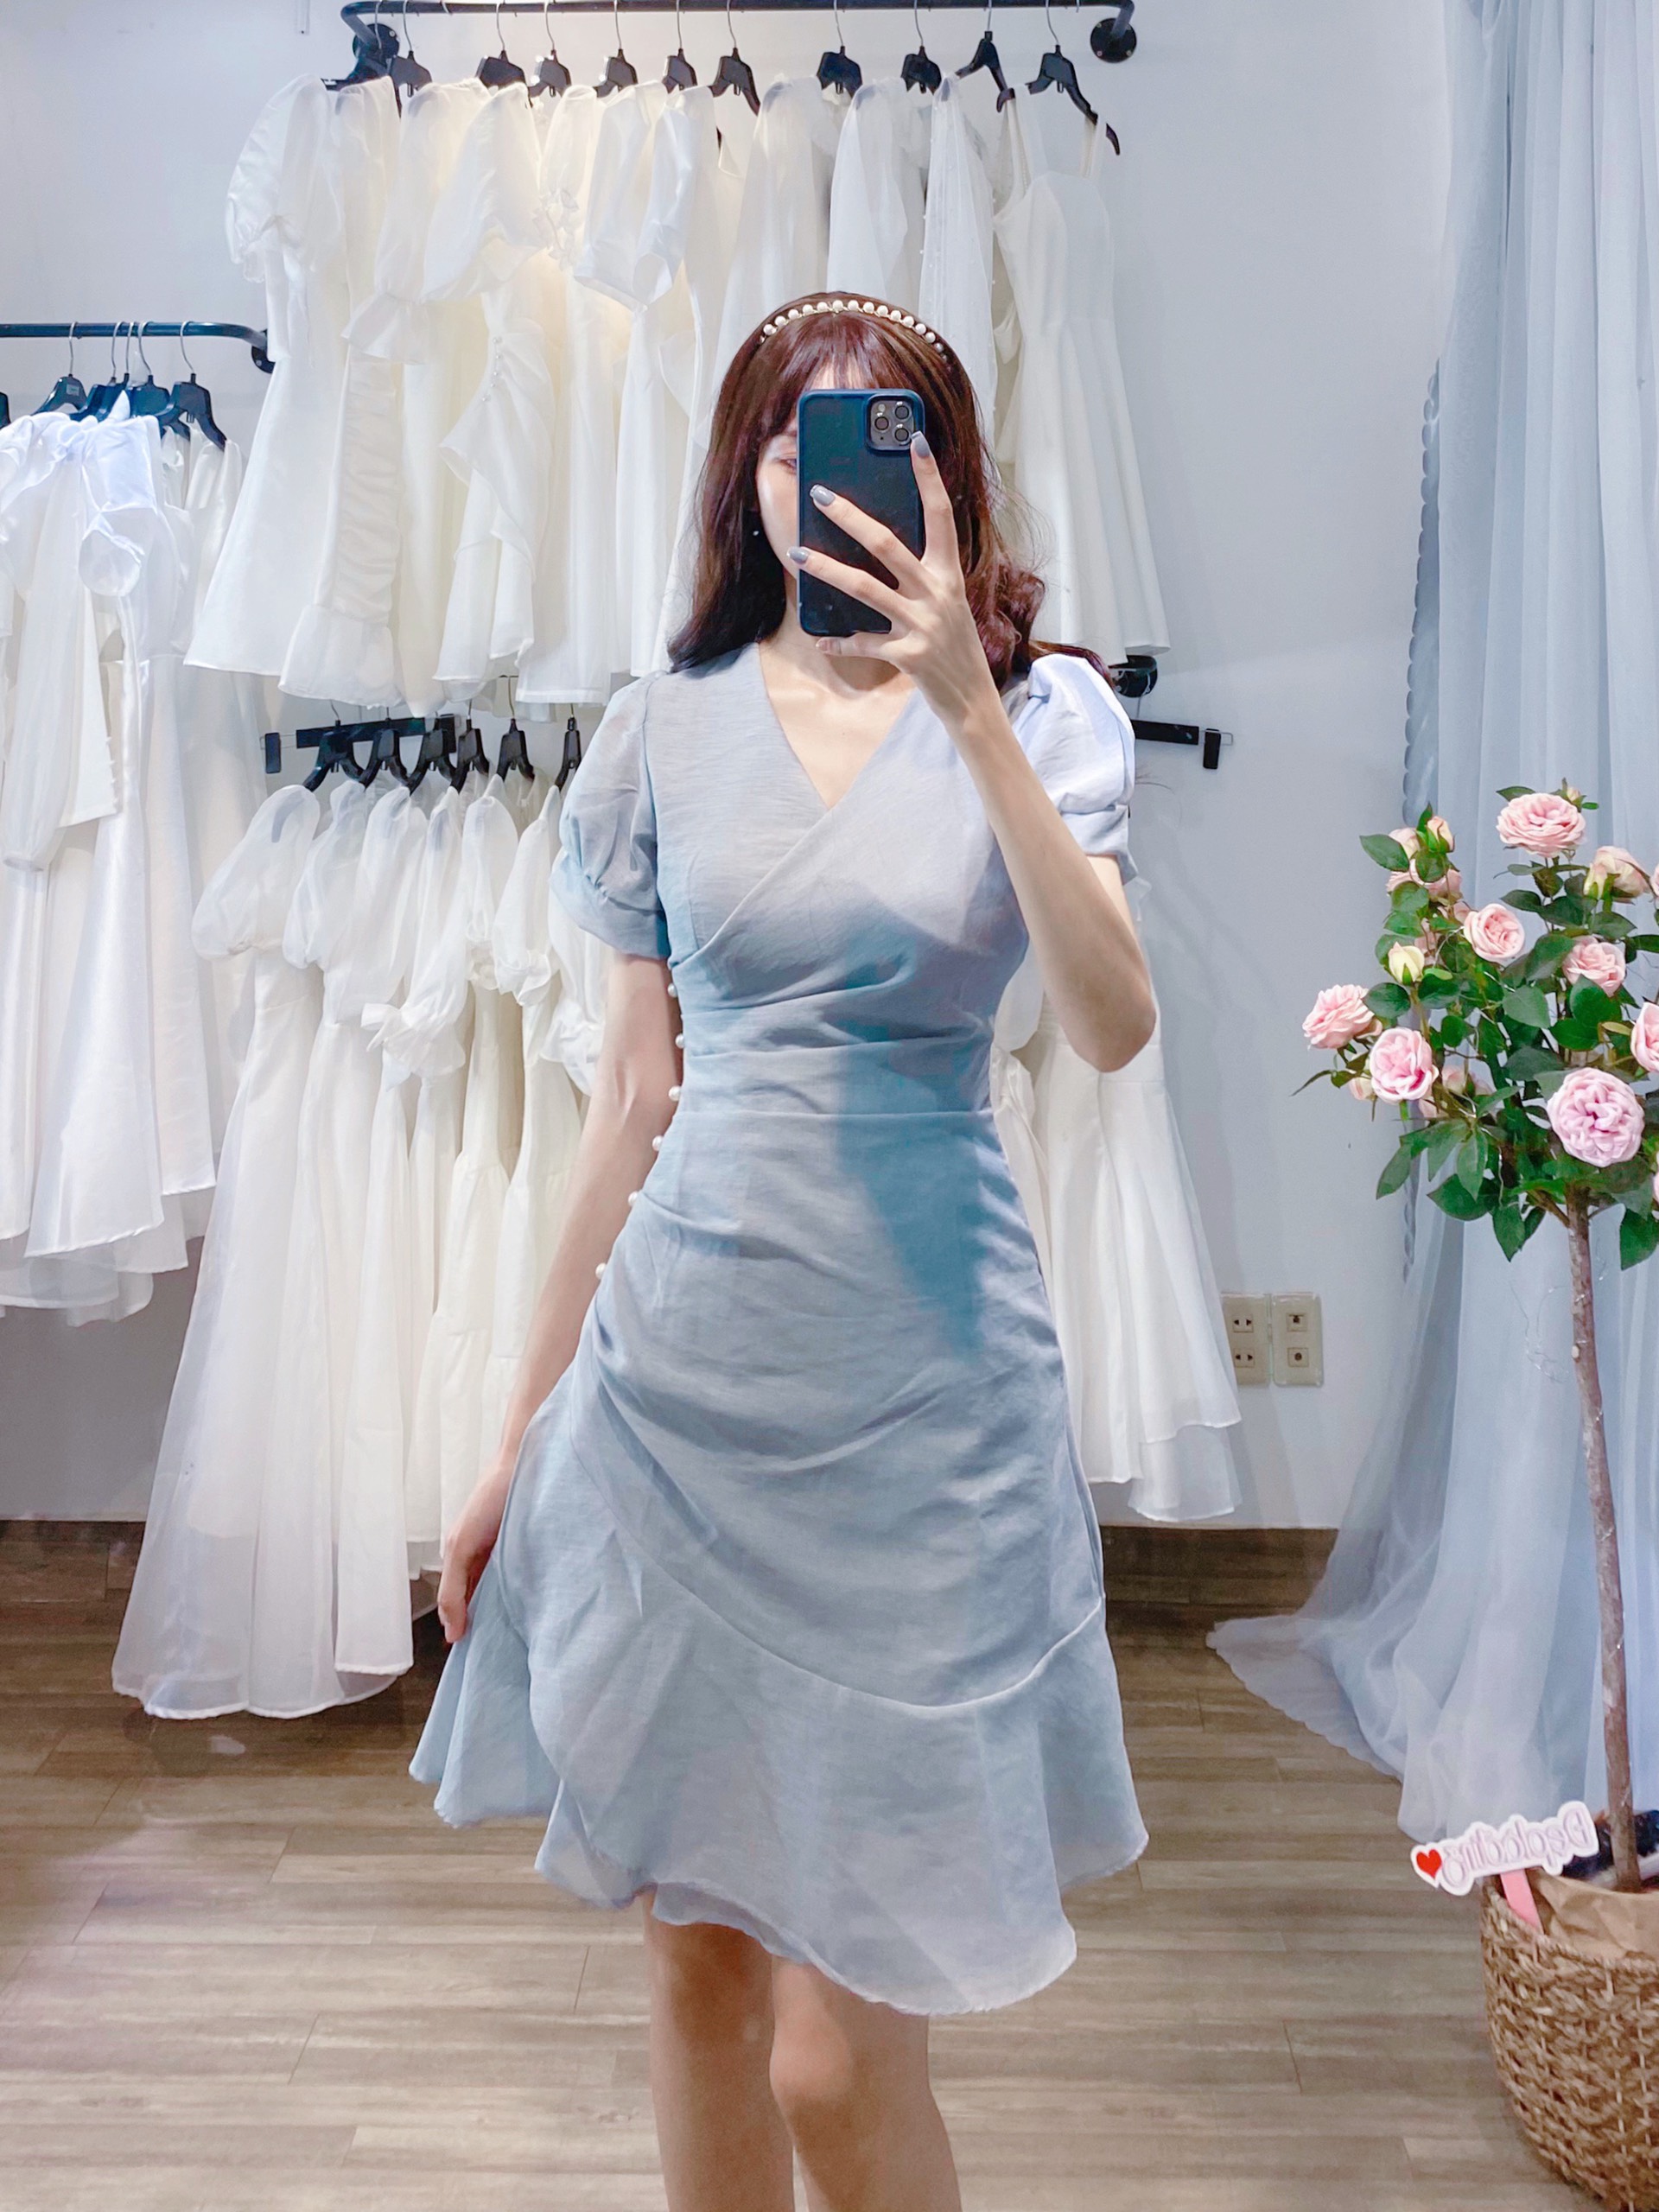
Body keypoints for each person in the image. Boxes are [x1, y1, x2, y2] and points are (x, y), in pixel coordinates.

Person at [412, 295, 1155, 2212]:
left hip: (929, 1409)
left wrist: (969, 706)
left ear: (947, 473)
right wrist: (517, 1436)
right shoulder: (658, 731)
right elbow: (628, 1102)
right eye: (787, 434)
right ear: (743, 477)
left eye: (881, 432)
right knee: (700, 1974)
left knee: (842, 2053)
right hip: (684, 1401)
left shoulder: (1047, 715)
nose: (824, 470)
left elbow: (1109, 1021)